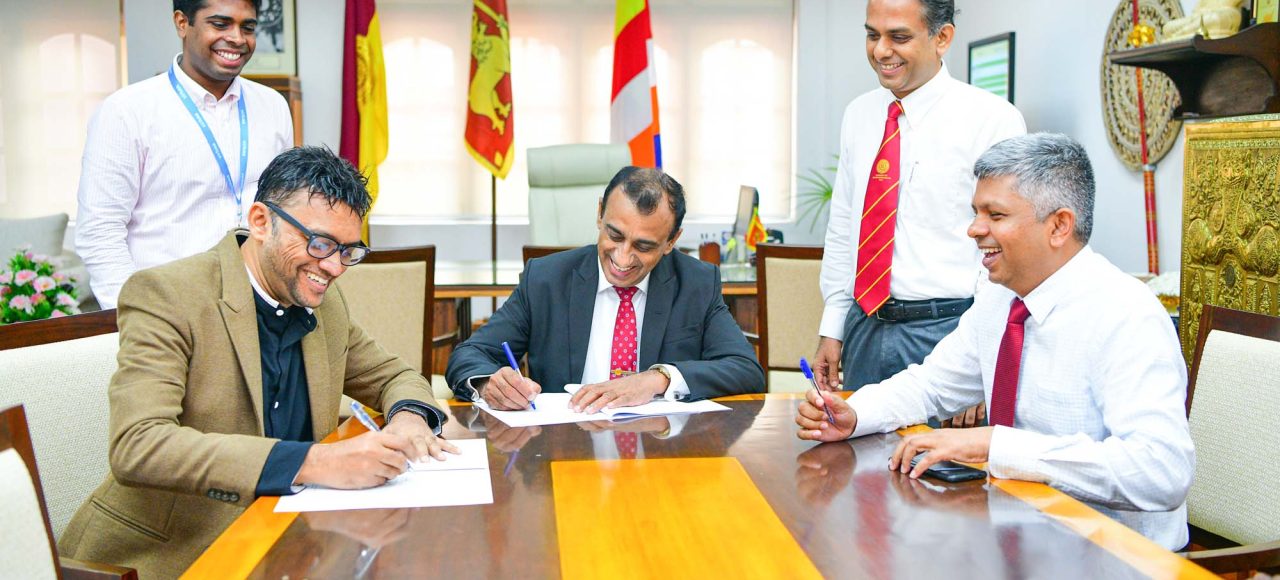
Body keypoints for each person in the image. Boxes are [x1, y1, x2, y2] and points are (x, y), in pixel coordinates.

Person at [59, 147, 456, 577]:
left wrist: (410, 419)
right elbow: (138, 445)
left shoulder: (324, 303)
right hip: (169, 554)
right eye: (320, 243)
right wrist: (315, 462)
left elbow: (395, 375)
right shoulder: (168, 294)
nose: (334, 267)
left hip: (288, 542)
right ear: (261, 222)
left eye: (347, 250)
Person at [795, 133, 1195, 550]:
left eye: (996, 215)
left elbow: (1161, 471)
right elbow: (931, 385)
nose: (974, 229)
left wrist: (995, 445)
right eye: (975, 212)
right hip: (1017, 533)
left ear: (1059, 226)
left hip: (1113, 557)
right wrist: (855, 414)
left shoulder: (1126, 314)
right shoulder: (1000, 299)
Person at [813, 0, 1026, 410]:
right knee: (857, 450)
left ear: (942, 37)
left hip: (947, 331)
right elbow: (843, 226)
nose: (881, 50)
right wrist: (833, 326)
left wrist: (979, 361)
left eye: (899, 37)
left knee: (931, 453)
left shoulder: (992, 120)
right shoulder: (859, 114)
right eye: (872, 35)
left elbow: (1004, 245)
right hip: (864, 326)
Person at [446, 166, 765, 414]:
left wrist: (658, 379)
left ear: (671, 241)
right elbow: (469, 355)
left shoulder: (695, 283)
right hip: (561, 449)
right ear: (600, 214)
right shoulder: (547, 279)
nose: (623, 259)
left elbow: (745, 369)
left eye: (643, 246)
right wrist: (489, 383)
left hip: (660, 453)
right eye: (615, 235)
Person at [76, 0, 294, 309]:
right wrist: (134, 315)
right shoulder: (126, 112)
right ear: (182, 22)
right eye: (220, 24)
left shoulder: (272, 106)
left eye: (248, 27)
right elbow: (100, 231)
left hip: (257, 304)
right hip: (167, 308)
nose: (237, 38)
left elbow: (283, 209)